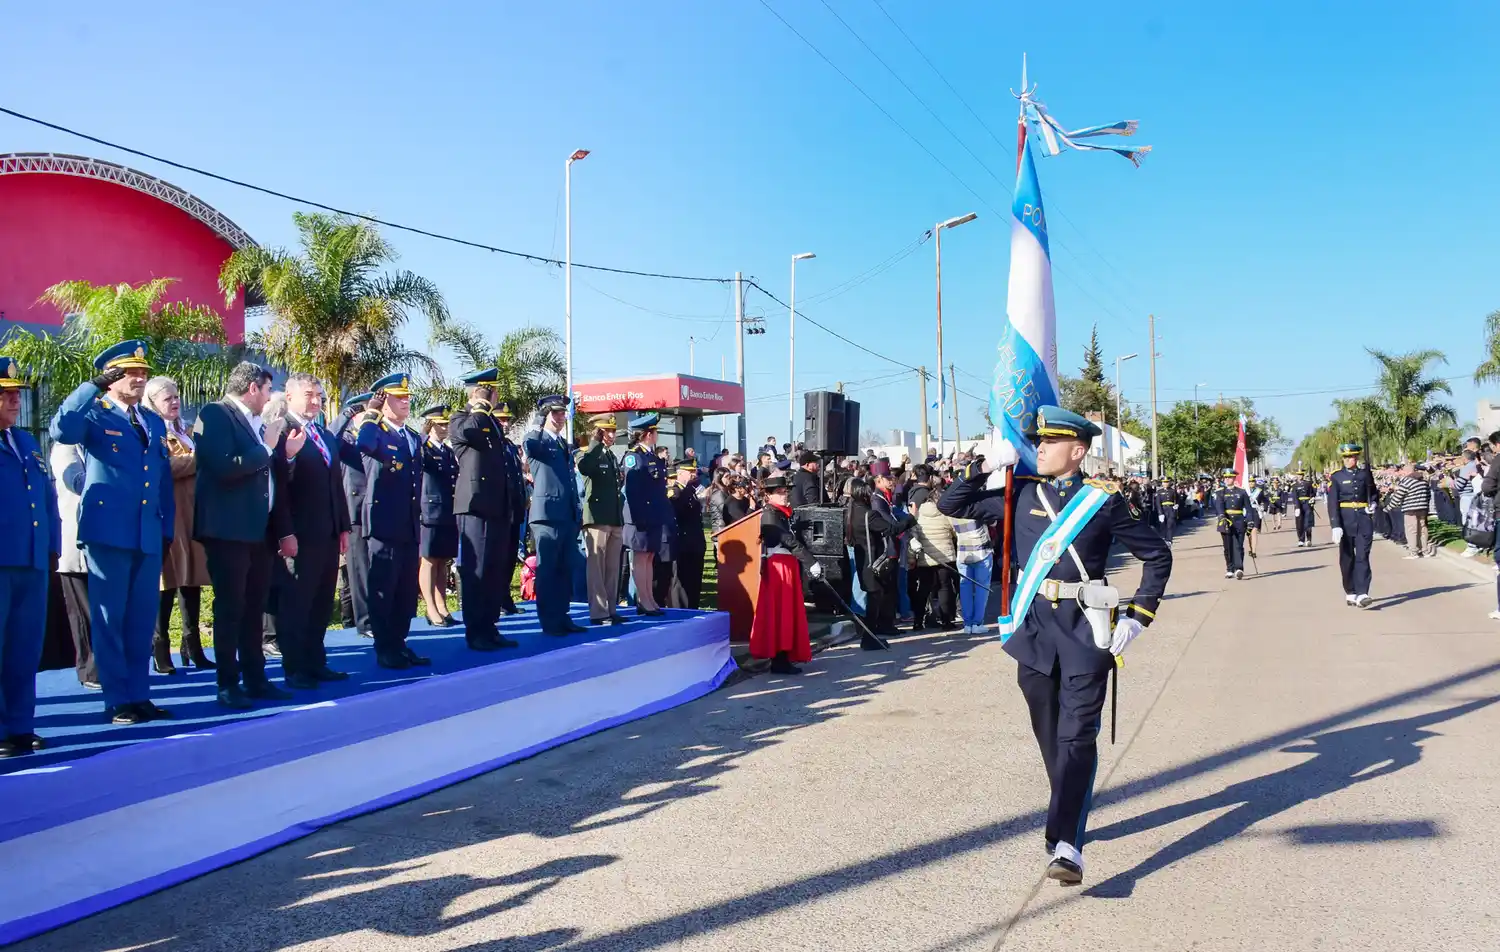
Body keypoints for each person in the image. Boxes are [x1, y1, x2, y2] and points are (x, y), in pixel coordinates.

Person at [937, 405, 1171, 885]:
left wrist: (1139, 617)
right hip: (1035, 633)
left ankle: (1068, 844)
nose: (1038, 448)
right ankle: (1069, 805)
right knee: (1050, 737)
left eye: (1049, 442)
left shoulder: (1102, 501)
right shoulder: (1018, 495)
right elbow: (950, 506)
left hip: (1087, 632)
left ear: (1077, 450)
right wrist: (985, 463)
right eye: (1036, 442)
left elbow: (1157, 555)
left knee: (1076, 737)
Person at [49, 340, 176, 724]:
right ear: (111, 377)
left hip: (146, 533)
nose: (139, 379)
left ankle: (139, 694)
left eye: (142, 372)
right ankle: (117, 699)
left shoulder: (151, 421)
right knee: (109, 618)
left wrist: (165, 527)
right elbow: (61, 429)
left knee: (141, 620)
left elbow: (161, 478)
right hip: (109, 533)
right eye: (129, 372)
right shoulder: (94, 414)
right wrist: (91, 387)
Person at [194, 362, 299, 708]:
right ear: (253, 388)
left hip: (258, 531)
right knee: (231, 607)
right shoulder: (215, 414)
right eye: (268, 389)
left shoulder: (256, 423)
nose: (270, 396)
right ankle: (227, 683)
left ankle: (256, 677)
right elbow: (225, 466)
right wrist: (267, 448)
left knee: (254, 608)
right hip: (228, 530)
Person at [269, 373, 352, 689]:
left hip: (327, 533)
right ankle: (295, 667)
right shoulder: (279, 432)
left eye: (319, 395)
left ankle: (316, 661)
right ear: (289, 396)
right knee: (296, 604)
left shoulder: (324, 434)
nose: (316, 401)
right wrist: (284, 533)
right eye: (309, 395)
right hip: (299, 535)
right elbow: (278, 489)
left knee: (320, 602)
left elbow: (336, 485)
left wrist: (342, 526)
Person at [1, 356, 60, 756]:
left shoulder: (23, 441)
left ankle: (20, 724)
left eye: (16, 395)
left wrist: (52, 545)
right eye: (6, 396)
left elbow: (46, 495)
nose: (15, 403)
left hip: (31, 559)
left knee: (24, 648)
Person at [354, 373, 429, 667]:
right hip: (384, 522)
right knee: (383, 587)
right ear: (384, 402)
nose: (406, 401)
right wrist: (371, 413)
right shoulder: (376, 431)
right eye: (399, 397)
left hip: (408, 523)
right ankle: (384, 647)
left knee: (404, 590)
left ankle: (399, 642)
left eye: (408, 397)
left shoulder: (410, 436)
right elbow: (363, 444)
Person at [142, 376, 213, 674]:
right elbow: (163, 467)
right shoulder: (151, 432)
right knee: (167, 582)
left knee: (192, 580)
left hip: (192, 513)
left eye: (175, 396)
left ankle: (191, 644)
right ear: (152, 403)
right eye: (166, 398)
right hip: (169, 514)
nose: (174, 402)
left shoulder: (184, 431)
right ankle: (160, 647)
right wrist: (199, 459)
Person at [446, 372, 521, 650]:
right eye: (490, 392)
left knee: (494, 568)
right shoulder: (460, 418)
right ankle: (475, 630)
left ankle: (489, 626)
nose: (495, 397)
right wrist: (478, 406)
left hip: (497, 505)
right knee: (475, 569)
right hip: (474, 505)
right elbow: (469, 434)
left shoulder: (492, 423)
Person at [523, 394, 587, 635]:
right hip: (546, 515)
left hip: (565, 514)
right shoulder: (535, 439)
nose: (561, 418)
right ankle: (549, 620)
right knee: (548, 570)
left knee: (563, 569)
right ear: (545, 415)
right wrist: (540, 421)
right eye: (555, 413)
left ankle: (562, 615)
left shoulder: (561, 443)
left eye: (562, 413)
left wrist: (576, 510)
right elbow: (531, 447)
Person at [748, 474, 820, 673]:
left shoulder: (779, 513)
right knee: (781, 612)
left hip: (785, 564)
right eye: (780, 493)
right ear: (769, 495)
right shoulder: (770, 514)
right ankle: (779, 659)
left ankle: (785, 655)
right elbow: (787, 540)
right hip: (779, 566)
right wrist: (810, 561)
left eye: (785, 491)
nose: (784, 495)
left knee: (786, 611)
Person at [49, 437, 96, 689]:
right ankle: (90, 671)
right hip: (76, 545)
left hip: (105, 543)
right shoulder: (66, 446)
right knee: (83, 613)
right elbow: (76, 482)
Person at [849, 474, 914, 640]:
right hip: (873, 561)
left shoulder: (851, 512)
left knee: (877, 595)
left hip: (863, 560)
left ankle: (872, 634)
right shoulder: (868, 514)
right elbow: (892, 529)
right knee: (875, 596)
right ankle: (869, 637)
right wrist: (911, 519)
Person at [576, 413, 626, 626]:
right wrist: (594, 442)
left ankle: (611, 608)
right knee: (596, 567)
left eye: (613, 431)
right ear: (598, 432)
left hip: (613, 517)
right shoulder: (587, 453)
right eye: (608, 430)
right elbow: (585, 468)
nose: (612, 435)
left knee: (612, 567)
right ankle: (598, 612)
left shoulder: (611, 456)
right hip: (596, 518)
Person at [621, 412, 671, 618]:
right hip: (639, 518)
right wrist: (638, 518)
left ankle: (649, 598)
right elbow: (632, 491)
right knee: (641, 559)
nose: (656, 435)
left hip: (653, 516)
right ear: (647, 434)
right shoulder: (634, 457)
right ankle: (643, 600)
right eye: (654, 432)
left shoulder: (650, 457)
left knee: (649, 557)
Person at [332, 392, 373, 637]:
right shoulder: (345, 438)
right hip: (355, 510)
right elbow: (329, 439)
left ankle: (377, 617)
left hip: (376, 507)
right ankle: (365, 621)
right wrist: (345, 416)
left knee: (374, 568)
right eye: (363, 412)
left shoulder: (371, 435)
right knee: (359, 570)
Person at [416, 404, 459, 627]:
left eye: (446, 424)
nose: (445, 428)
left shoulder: (447, 451)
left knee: (443, 560)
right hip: (429, 509)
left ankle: (442, 605)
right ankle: (430, 608)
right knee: (429, 560)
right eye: (441, 424)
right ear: (430, 425)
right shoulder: (424, 449)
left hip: (446, 510)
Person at [1327, 442, 1379, 607]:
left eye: (1352, 457)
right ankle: (1351, 590)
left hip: (1363, 518)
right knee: (1347, 558)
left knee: (1363, 556)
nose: (1350, 460)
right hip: (1345, 519)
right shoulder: (1337, 477)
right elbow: (1332, 502)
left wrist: (1373, 504)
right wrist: (1335, 524)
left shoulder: (1365, 474)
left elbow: (1374, 493)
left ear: (1357, 457)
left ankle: (1363, 592)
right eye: (1346, 457)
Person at [489, 400, 528, 616]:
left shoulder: (510, 446)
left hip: (514, 509)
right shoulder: (491, 445)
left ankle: (505, 598)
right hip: (500, 510)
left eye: (506, 420)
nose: (505, 423)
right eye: (500, 419)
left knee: (511, 556)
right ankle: (497, 600)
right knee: (498, 557)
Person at [665, 457, 707, 608]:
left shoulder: (691, 489)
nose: (694, 474)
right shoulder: (674, 492)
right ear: (681, 473)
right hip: (682, 543)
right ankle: (682, 611)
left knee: (694, 581)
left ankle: (693, 609)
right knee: (681, 582)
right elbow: (676, 514)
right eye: (690, 471)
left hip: (695, 542)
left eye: (694, 471)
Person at [1211, 469, 1258, 580]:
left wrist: (1250, 521)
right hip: (1225, 521)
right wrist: (1222, 516)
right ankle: (1229, 568)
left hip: (1239, 521)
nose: (1227, 479)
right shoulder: (1220, 492)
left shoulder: (1241, 492)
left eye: (1230, 477)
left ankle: (1239, 568)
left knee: (1238, 545)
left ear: (1234, 478)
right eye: (1226, 477)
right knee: (1227, 546)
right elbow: (1219, 506)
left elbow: (1248, 508)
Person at [1383, 461, 1433, 559]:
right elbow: (1428, 494)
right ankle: (1425, 551)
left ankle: (1413, 552)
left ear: (1407, 472)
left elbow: (1398, 496)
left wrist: (1388, 507)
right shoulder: (1423, 481)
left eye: (1404, 472)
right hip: (1423, 508)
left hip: (1410, 509)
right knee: (1422, 530)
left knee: (1411, 530)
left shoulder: (1407, 481)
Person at [1291, 470, 1318, 547]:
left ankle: (1309, 539)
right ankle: (1301, 539)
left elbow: (1313, 492)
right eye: (1299, 475)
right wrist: (1296, 507)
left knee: (1308, 523)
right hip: (1299, 505)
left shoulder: (1308, 483)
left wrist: (1312, 498)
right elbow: (1294, 496)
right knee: (1299, 523)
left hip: (1307, 504)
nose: (1300, 476)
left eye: (1301, 475)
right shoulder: (1294, 485)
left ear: (1303, 475)